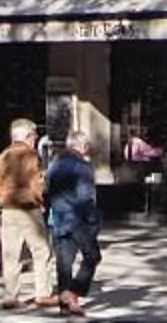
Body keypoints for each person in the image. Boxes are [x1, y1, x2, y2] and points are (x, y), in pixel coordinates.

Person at [0, 118, 56, 310]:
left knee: (10, 255)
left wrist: (2, 199)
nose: (35, 139)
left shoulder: (4, 155)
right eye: (34, 136)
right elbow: (37, 183)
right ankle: (43, 293)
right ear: (28, 136)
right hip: (28, 209)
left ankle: (11, 296)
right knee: (41, 251)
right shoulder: (30, 155)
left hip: (8, 209)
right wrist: (39, 200)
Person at [45, 129, 103, 315]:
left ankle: (66, 305)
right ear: (82, 146)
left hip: (58, 218)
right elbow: (86, 198)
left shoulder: (54, 163)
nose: (88, 149)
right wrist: (94, 221)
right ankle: (73, 292)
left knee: (64, 263)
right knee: (92, 256)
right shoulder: (82, 166)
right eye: (87, 146)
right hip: (77, 220)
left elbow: (47, 191)